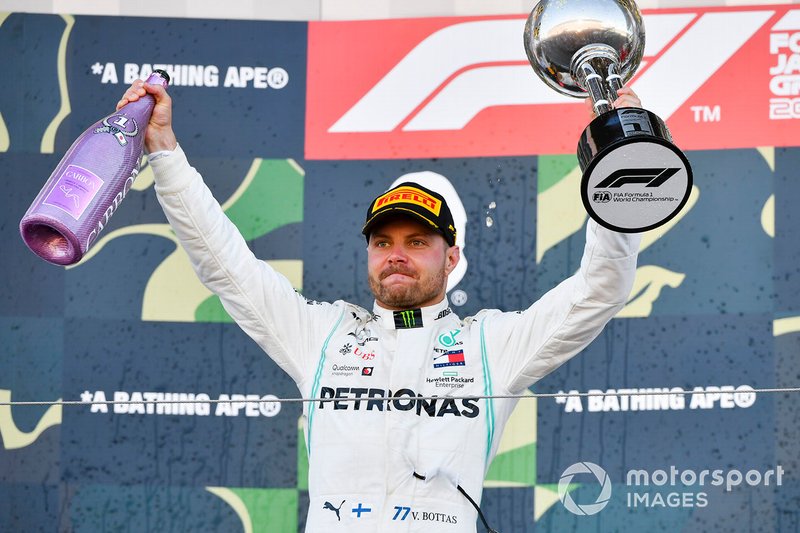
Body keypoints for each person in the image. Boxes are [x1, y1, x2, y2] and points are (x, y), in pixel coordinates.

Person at [118, 80, 642, 532]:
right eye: (383, 241)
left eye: (418, 242)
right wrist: (163, 150)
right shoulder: (321, 334)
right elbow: (224, 263)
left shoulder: (491, 345)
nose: (397, 255)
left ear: (452, 257)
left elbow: (601, 289)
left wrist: (621, 171)